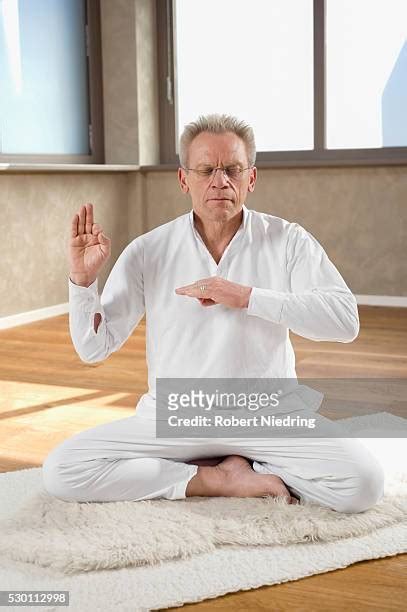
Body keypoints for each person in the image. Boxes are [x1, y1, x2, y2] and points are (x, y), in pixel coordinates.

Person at [42, 114, 384, 513]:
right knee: (63, 470)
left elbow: (345, 322)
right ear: (184, 179)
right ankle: (217, 477)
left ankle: (251, 459)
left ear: (251, 178)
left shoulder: (288, 240)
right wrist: (83, 283)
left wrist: (246, 296)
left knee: (364, 484)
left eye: (233, 169)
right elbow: (93, 348)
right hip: (177, 417)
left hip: (269, 414)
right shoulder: (147, 250)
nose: (220, 181)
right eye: (206, 170)